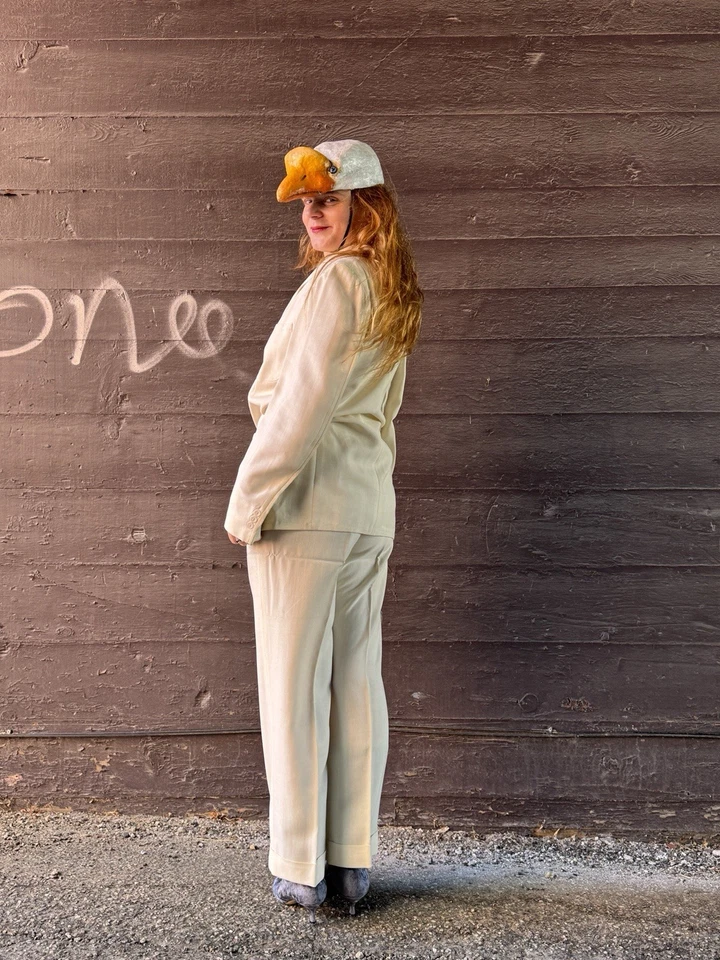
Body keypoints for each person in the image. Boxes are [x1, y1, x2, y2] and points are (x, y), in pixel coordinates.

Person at [223, 139, 423, 922]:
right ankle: (350, 862)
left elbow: (298, 411)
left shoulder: (337, 285)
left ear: (364, 206)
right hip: (366, 510)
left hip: (304, 513)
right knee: (354, 686)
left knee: (293, 687)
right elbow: (381, 413)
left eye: (329, 200)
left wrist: (248, 504)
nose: (312, 213)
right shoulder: (388, 285)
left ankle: (298, 865)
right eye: (307, 203)